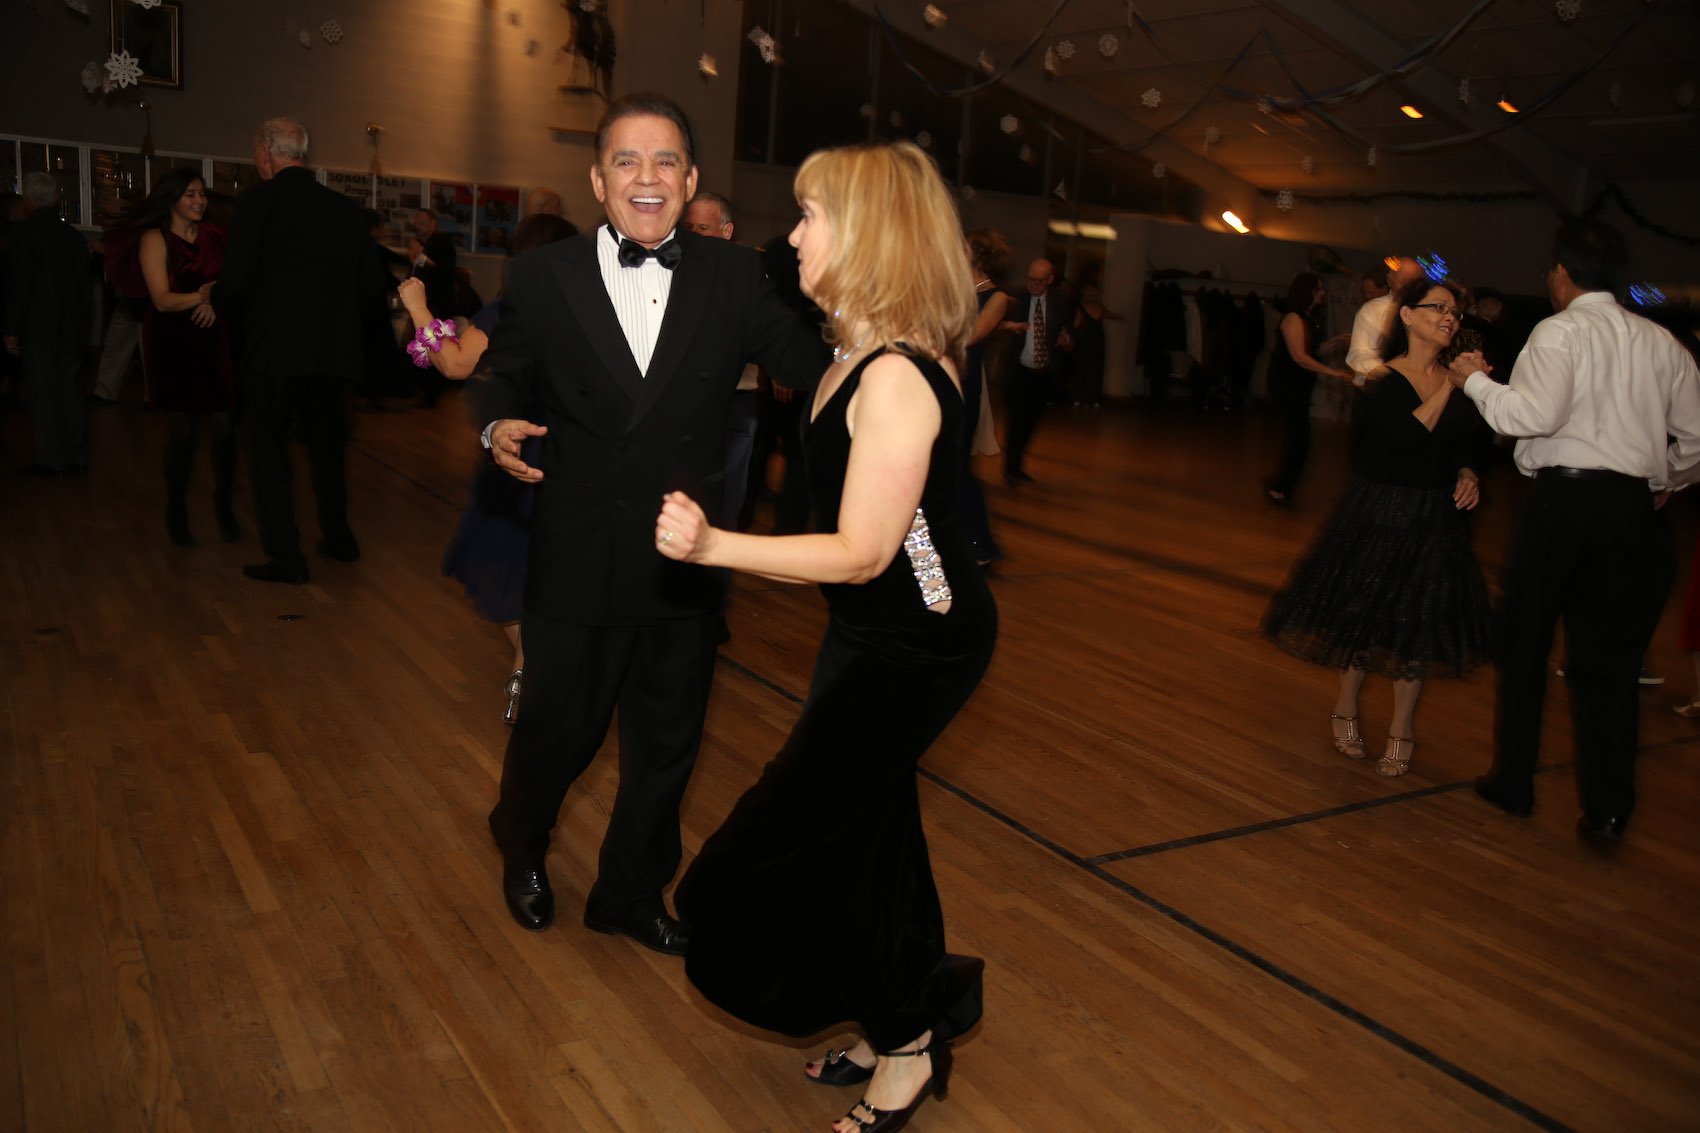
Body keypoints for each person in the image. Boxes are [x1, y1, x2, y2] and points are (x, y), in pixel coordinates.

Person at [655, 138, 995, 1133]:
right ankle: (901, 1019)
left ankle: (904, 1037)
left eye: (810, 216)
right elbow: (890, 545)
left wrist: (715, 545)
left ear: (868, 232)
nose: (793, 235)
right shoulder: (853, 354)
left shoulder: (894, 376)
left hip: (919, 645)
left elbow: (863, 550)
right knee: (873, 837)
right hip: (873, 629)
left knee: (768, 851)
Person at [477, 92, 828, 948]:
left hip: (684, 553)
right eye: (627, 160)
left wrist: (886, 341)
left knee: (667, 746)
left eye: (665, 160)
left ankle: (629, 893)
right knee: (558, 734)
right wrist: (496, 425)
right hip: (578, 551)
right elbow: (503, 375)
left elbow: (810, 364)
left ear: (691, 178)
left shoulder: (736, 275)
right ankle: (521, 841)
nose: (648, 176)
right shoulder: (542, 276)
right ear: (599, 180)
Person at [1448, 220, 1700, 844]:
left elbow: (1533, 415)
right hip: (1630, 511)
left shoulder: (1559, 331)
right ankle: (1608, 811)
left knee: (1525, 644)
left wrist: (1473, 380)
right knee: (1609, 662)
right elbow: (1697, 437)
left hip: (1562, 502)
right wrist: (1665, 479)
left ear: (1561, 274)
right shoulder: (1661, 342)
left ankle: (1514, 783)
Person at [1265, 278, 1494, 776]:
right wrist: (1453, 385)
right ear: (1408, 316)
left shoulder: (1459, 379)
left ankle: (1402, 727)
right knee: (1363, 615)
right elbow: (1410, 434)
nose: (1450, 317)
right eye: (1438, 307)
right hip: (1379, 511)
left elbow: (1465, 441)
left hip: (1434, 515)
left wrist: (1467, 471)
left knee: (1416, 622)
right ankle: (1346, 707)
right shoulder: (1381, 380)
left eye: (1454, 311)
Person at [397, 212, 577, 724]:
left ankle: (527, 668)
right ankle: (532, 669)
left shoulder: (513, 310)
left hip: (515, 455)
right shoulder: (582, 310)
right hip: (568, 458)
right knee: (544, 574)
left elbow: (454, 363)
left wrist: (418, 307)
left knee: (502, 568)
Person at [210, 116, 376, 584]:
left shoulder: (257, 203)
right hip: (332, 353)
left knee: (268, 452)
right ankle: (339, 538)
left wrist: (215, 298)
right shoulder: (344, 209)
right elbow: (369, 282)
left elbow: (236, 279)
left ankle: (287, 556)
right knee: (327, 449)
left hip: (275, 351)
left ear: (265, 152)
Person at [113, 168, 238, 545]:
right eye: (190, 194)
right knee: (183, 432)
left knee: (225, 429)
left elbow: (232, 284)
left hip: (214, 337)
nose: (199, 201)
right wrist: (205, 295)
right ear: (171, 199)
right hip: (173, 340)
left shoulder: (216, 235)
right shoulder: (155, 238)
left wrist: (216, 302)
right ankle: (176, 509)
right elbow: (162, 300)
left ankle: (224, 505)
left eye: (202, 194)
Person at [682, 191, 761, 529]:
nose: (695, 236)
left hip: (735, 402)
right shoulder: (674, 272)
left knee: (726, 502)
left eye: (704, 228)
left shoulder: (750, 275)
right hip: (686, 404)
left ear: (727, 232)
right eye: (689, 228)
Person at [4, 172, 91, 477]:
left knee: (43, 394)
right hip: (72, 326)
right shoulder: (74, 236)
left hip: (38, 327)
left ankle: (53, 458)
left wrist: (12, 328)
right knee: (71, 391)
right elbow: (85, 286)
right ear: (56, 198)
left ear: (28, 201)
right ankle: (77, 455)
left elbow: (19, 285)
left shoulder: (22, 235)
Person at [1264, 272, 1354, 505]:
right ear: (1309, 292)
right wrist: (1335, 373)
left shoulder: (1306, 317)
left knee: (1299, 438)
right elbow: (1300, 357)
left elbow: (1312, 352)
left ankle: (1280, 486)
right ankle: (1280, 489)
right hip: (1287, 385)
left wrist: (1334, 342)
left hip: (1297, 386)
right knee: (1299, 439)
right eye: (1320, 289)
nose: (1323, 293)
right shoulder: (1293, 318)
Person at [963, 227, 1011, 564]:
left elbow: (971, 335)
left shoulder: (996, 298)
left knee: (956, 468)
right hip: (936, 383)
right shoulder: (952, 289)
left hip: (963, 388)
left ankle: (980, 544)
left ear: (977, 256)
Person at [1002, 257, 1071, 485]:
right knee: (1015, 421)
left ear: (1050, 280)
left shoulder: (1060, 300)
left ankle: (1017, 464)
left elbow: (1070, 334)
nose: (1033, 284)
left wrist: (1067, 341)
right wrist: (1009, 326)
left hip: (1044, 373)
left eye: (1039, 281)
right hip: (1019, 371)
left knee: (1031, 422)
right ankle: (1011, 467)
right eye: (1030, 279)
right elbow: (993, 324)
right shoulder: (1016, 299)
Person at [1346, 255, 1423, 386]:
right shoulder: (1371, 310)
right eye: (1404, 281)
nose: (1409, 286)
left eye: (1414, 281)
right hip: (1378, 386)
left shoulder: (1427, 311)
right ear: (1390, 281)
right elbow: (1357, 354)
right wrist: (1391, 372)